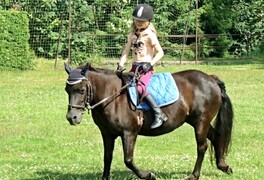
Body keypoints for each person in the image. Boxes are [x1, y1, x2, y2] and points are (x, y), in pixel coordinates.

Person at [116, 4, 168, 129]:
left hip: (146, 68)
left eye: (141, 21)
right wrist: (121, 64)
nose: (138, 23)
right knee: (123, 86)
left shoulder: (150, 35)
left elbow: (161, 52)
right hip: (134, 67)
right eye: (136, 20)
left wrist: (149, 64)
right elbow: (126, 51)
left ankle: (159, 113)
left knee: (140, 89)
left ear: (148, 21)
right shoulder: (132, 34)